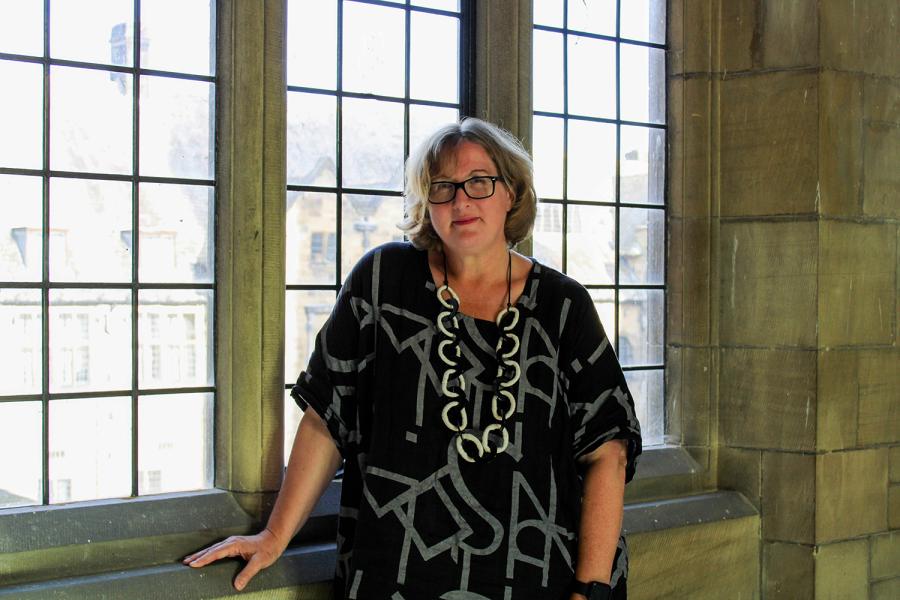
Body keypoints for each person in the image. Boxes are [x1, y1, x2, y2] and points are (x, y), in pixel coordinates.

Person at [184, 118, 642, 599]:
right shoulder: (381, 282)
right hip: (394, 577)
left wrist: (590, 591)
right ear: (427, 203)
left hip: (534, 582)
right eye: (442, 187)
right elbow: (326, 418)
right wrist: (275, 535)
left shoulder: (563, 308)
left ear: (513, 193)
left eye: (479, 183)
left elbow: (607, 452)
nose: (461, 200)